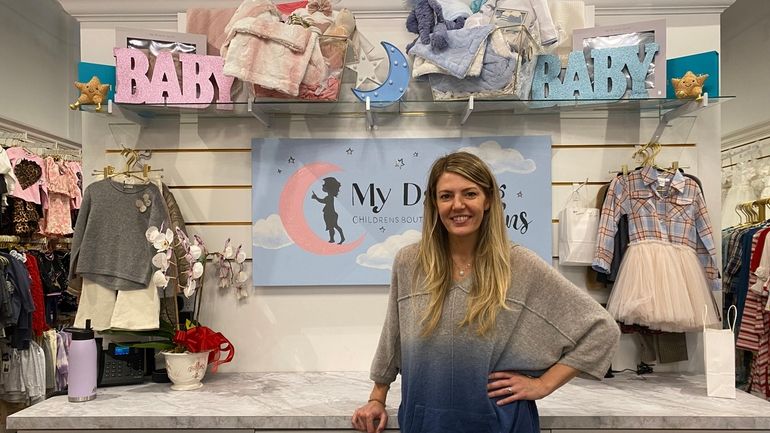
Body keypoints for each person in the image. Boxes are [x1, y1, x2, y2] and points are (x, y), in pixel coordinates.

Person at [351, 151, 620, 433]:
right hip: (426, 421)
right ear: (434, 203)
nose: (458, 205)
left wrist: (544, 384)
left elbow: (602, 330)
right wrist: (376, 397)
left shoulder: (520, 265)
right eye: (446, 196)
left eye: (470, 193)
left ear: (488, 199)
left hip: (501, 422)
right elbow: (393, 334)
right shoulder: (410, 262)